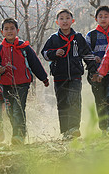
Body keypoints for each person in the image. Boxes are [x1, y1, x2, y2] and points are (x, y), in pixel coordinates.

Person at [0, 18, 49, 145]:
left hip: (22, 84)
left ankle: (19, 136)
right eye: (6, 29)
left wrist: (43, 78)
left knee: (18, 109)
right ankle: (18, 132)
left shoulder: (24, 47)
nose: (9, 31)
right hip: (6, 85)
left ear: (17, 30)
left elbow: (35, 63)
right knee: (10, 111)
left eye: (12, 28)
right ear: (2, 32)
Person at [41, 9, 97, 140]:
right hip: (59, 77)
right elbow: (45, 54)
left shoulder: (78, 37)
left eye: (67, 18)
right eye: (61, 18)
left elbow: (88, 55)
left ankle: (74, 128)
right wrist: (55, 53)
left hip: (75, 76)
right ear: (57, 22)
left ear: (72, 20)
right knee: (62, 103)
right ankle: (65, 131)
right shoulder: (53, 38)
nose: (64, 21)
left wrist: (93, 70)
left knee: (74, 101)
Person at [85, 6, 109, 135]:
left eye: (106, 16)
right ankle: (103, 128)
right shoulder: (91, 35)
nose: (103, 19)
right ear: (96, 19)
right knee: (100, 100)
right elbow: (86, 52)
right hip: (96, 73)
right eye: (100, 16)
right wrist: (94, 57)